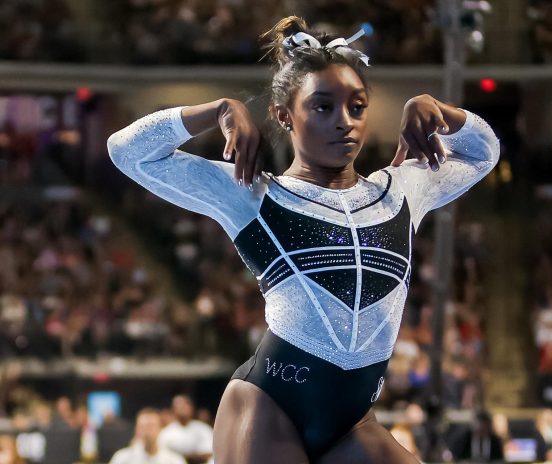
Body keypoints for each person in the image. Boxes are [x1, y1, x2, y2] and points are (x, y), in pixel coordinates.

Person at [107, 15, 499, 464]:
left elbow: (484, 152)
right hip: (269, 407)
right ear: (283, 115)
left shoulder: (403, 190)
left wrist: (445, 114)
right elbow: (127, 152)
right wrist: (217, 111)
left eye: (357, 106)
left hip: (354, 419)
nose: (344, 122)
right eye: (322, 107)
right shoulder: (253, 194)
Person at [110, 408, 186, 464]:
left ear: (160, 429)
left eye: (151, 426)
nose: (147, 431)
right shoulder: (122, 459)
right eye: (143, 427)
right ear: (137, 430)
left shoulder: (174, 460)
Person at [158, 396, 213, 464]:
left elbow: (209, 453)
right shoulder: (166, 433)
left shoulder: (204, 429)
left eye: (185, 406)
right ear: (173, 410)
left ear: (191, 408)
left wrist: (183, 456)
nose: (182, 409)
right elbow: (163, 456)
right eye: (179, 407)